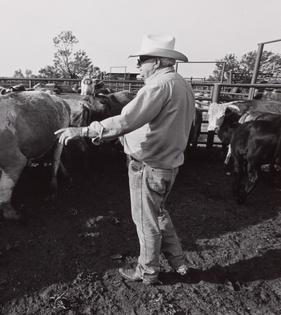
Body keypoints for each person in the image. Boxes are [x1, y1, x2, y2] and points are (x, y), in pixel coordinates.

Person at [55, 34, 195, 285]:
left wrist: (84, 130)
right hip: (169, 164)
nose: (139, 67)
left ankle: (148, 271)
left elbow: (126, 120)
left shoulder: (157, 86)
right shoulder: (181, 83)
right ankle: (179, 263)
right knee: (158, 214)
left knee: (145, 221)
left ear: (159, 61)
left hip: (148, 166)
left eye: (142, 60)